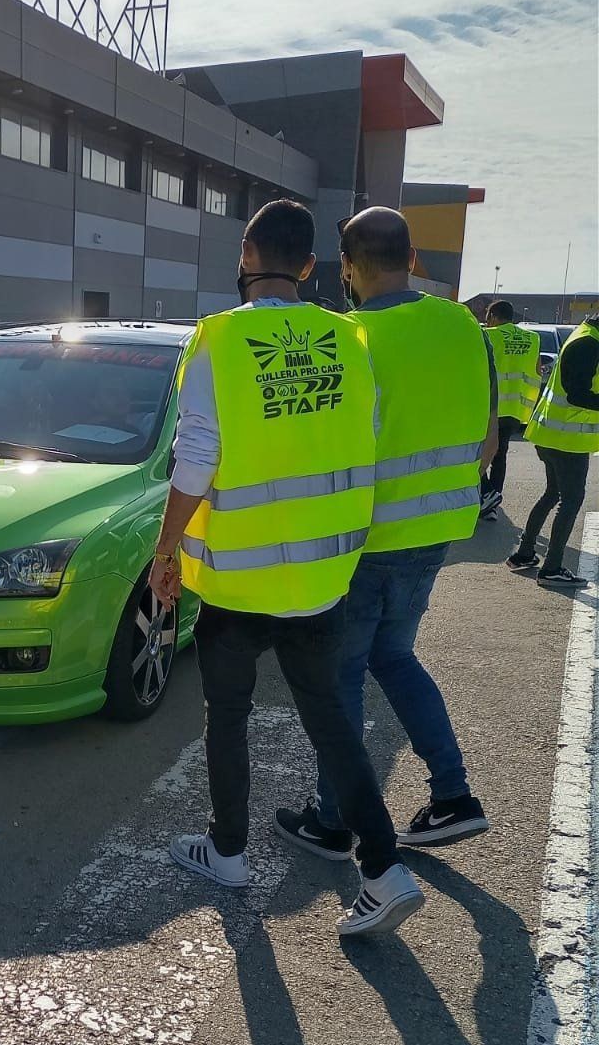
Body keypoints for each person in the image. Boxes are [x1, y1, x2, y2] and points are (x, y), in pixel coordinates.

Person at [149, 199, 424, 938]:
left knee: (229, 716)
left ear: (245, 256)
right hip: (322, 575)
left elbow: (197, 456)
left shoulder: (220, 338)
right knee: (331, 720)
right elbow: (360, 439)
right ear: (311, 266)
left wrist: (167, 548)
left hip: (239, 578)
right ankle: (384, 867)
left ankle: (229, 852)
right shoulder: (348, 338)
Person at [275, 207, 495, 855]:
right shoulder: (463, 324)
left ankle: (332, 818)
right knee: (394, 657)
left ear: (347, 267)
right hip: (436, 536)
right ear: (414, 258)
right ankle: (453, 795)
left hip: (362, 543)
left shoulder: (349, 337)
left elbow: (321, 452)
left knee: (340, 677)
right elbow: (487, 443)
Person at [507, 313, 599, 586]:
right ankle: (552, 567)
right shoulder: (588, 344)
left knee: (552, 494)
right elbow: (577, 393)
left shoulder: (585, 336)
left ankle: (524, 553)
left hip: (552, 434)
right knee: (570, 501)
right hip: (567, 440)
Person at [480, 299, 540, 519]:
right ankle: (492, 502)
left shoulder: (489, 336)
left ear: (494, 317)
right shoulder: (532, 338)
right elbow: (537, 370)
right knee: (500, 454)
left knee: (478, 453)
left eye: (487, 318)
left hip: (490, 407)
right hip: (516, 408)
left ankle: (487, 494)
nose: (486, 323)